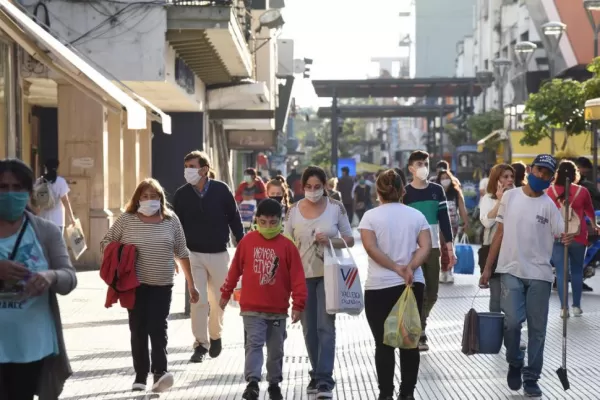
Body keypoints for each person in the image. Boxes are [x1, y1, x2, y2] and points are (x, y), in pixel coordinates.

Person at [480, 154, 572, 398]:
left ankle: (531, 376)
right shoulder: (510, 197)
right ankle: (515, 360)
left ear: (551, 178)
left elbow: (563, 234)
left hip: (540, 274)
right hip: (510, 269)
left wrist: (568, 236)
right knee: (511, 322)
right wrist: (488, 268)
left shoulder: (551, 206)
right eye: (539, 170)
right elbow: (499, 233)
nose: (542, 176)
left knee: (538, 328)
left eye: (547, 174)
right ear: (530, 170)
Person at [101, 178, 199, 393]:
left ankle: (160, 373)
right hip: (133, 284)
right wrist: (122, 253)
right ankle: (140, 375)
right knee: (137, 329)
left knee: (158, 327)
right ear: (137, 200)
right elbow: (106, 243)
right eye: (144, 196)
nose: (149, 200)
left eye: (153, 196)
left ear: (161, 198)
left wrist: (192, 285)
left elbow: (182, 252)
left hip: (162, 284)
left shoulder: (171, 220)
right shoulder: (126, 220)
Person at [0, 158, 78, 400]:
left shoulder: (46, 231)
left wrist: (50, 276)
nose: (10, 193)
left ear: (28, 192)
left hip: (32, 344)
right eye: (3, 187)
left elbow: (69, 278)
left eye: (17, 187)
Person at [220, 199, 307, 400]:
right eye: (264, 222)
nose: (268, 226)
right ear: (257, 219)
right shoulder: (247, 242)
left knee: (276, 350)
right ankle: (252, 382)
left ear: (280, 222)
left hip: (277, 309)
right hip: (251, 307)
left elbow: (297, 278)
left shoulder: (288, 246)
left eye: (273, 222)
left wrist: (298, 304)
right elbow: (234, 270)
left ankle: (274, 383)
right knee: (254, 344)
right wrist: (226, 292)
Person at [283, 166, 354, 399]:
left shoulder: (336, 208)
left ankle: (324, 379)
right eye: (308, 187)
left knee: (325, 326)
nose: (313, 191)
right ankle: (315, 372)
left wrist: (331, 240)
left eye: (317, 187)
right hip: (301, 277)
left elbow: (350, 239)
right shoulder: (293, 211)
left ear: (325, 186)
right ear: (302, 187)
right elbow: (286, 244)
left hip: (329, 274)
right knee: (308, 329)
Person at [360, 169, 431, 400]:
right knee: (409, 342)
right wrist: (409, 267)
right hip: (412, 285)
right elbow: (425, 247)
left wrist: (395, 267)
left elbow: (371, 249)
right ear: (402, 190)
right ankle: (407, 393)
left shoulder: (370, 217)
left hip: (379, 286)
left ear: (377, 192)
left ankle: (385, 394)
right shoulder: (416, 215)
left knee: (384, 344)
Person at [173, 151, 244, 363]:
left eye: (191, 166)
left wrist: (243, 243)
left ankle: (216, 335)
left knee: (219, 300)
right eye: (185, 166)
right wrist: (174, 254)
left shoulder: (221, 190)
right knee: (199, 300)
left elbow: (234, 218)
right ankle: (201, 345)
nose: (187, 170)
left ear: (204, 169)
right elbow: (175, 227)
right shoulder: (181, 194)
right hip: (192, 254)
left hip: (219, 253)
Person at [403, 151, 455, 351]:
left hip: (433, 247)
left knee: (432, 293)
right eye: (419, 163)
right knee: (417, 291)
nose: (423, 166)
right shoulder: (405, 193)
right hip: (412, 250)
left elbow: (444, 220)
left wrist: (450, 248)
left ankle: (420, 325)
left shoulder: (437, 190)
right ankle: (420, 331)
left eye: (426, 163)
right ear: (411, 169)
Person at [547, 160, 598, 317]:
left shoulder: (550, 191)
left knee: (561, 273)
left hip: (558, 236)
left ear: (558, 174)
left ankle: (564, 308)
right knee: (577, 272)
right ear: (575, 174)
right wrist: (595, 225)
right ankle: (576, 306)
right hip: (578, 235)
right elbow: (590, 211)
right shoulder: (582, 191)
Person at [479, 164, 515, 312]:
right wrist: (500, 201)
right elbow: (487, 222)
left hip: (513, 251)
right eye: (505, 177)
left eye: (512, 176)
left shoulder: (518, 196)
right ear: (496, 179)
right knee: (496, 294)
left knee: (512, 294)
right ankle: (494, 330)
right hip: (493, 250)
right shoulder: (488, 198)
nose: (510, 180)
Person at [435, 169, 469, 284]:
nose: (445, 180)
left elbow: (462, 207)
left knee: (449, 247)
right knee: (443, 248)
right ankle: (443, 270)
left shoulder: (455, 192)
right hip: (439, 224)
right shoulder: (437, 192)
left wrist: (465, 221)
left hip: (453, 224)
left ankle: (448, 270)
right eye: (442, 178)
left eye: (447, 177)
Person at [35, 159, 76, 233]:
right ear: (57, 167)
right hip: (57, 221)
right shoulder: (60, 181)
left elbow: (35, 201)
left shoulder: (39, 181)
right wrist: (72, 219)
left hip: (42, 221)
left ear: (46, 168)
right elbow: (65, 201)